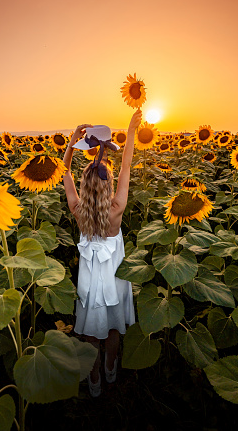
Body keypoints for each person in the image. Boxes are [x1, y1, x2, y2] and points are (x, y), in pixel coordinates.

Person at [62, 109, 142, 397]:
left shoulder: (78, 211)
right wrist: (131, 131)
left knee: (90, 333)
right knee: (111, 330)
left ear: (84, 188)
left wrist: (73, 142)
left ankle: (93, 377)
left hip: (89, 281)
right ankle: (110, 367)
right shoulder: (117, 209)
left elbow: (65, 172)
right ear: (108, 185)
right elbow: (127, 167)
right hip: (115, 279)